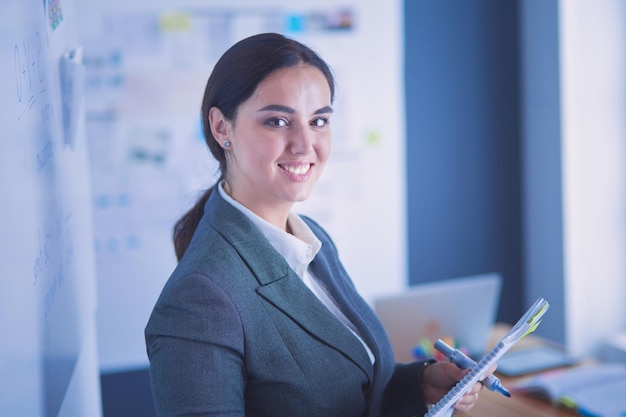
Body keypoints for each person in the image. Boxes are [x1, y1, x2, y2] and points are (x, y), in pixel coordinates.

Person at [145, 32, 488, 417]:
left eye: (318, 120)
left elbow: (350, 386)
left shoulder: (309, 238)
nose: (304, 144)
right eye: (277, 121)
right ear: (222, 128)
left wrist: (420, 386)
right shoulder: (199, 299)